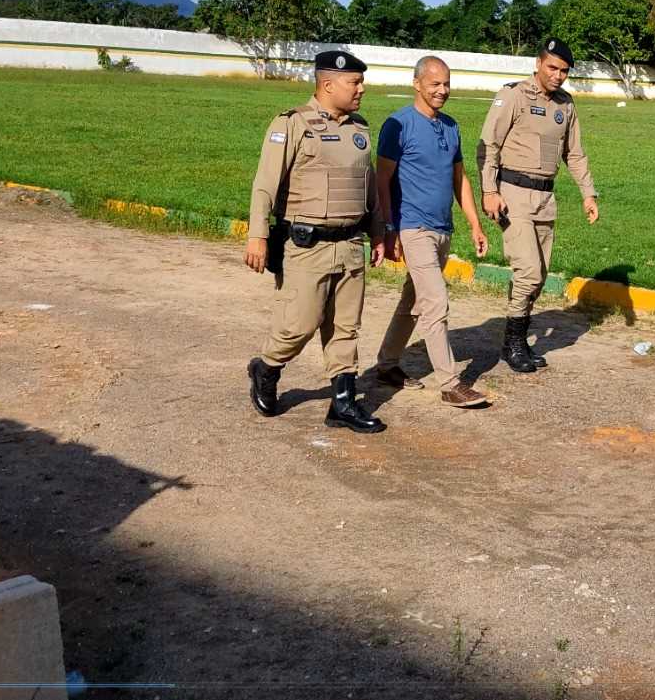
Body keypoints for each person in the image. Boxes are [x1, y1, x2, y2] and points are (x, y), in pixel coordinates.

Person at [244, 50, 387, 433]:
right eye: (354, 82)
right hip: (307, 248)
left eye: (360, 81)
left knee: (346, 328)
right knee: (299, 325)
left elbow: (368, 187)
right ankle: (267, 367)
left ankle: (342, 404)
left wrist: (378, 231)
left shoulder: (359, 129)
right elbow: (264, 184)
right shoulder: (292, 124)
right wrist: (257, 234)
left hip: (350, 244)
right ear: (327, 84)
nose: (361, 89)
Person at [477, 38, 599, 373]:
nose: (558, 76)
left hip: (545, 197)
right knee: (529, 272)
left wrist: (588, 193)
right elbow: (489, 145)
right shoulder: (513, 95)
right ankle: (513, 343)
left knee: (540, 275)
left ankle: (516, 338)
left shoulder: (566, 105)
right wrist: (489, 191)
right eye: (552, 67)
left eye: (564, 71)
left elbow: (574, 154)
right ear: (538, 63)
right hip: (512, 193)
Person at [374, 56, 490, 407]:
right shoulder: (398, 125)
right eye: (435, 84)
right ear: (417, 84)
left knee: (414, 299)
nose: (442, 91)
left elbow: (460, 179)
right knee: (435, 302)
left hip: (443, 227)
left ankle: (387, 363)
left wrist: (474, 224)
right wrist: (388, 227)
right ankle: (450, 383)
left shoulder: (451, 127)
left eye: (447, 84)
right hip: (413, 226)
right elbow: (382, 180)